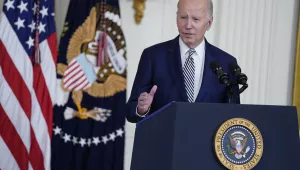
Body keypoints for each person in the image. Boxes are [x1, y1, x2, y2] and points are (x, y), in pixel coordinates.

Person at [126, 0, 240, 123]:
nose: (188, 25)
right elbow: (131, 111)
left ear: (209, 23)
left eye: (195, 19)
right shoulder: (153, 56)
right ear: (176, 18)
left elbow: (233, 116)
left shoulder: (227, 63)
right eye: (183, 17)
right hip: (164, 140)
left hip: (206, 141)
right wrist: (141, 109)